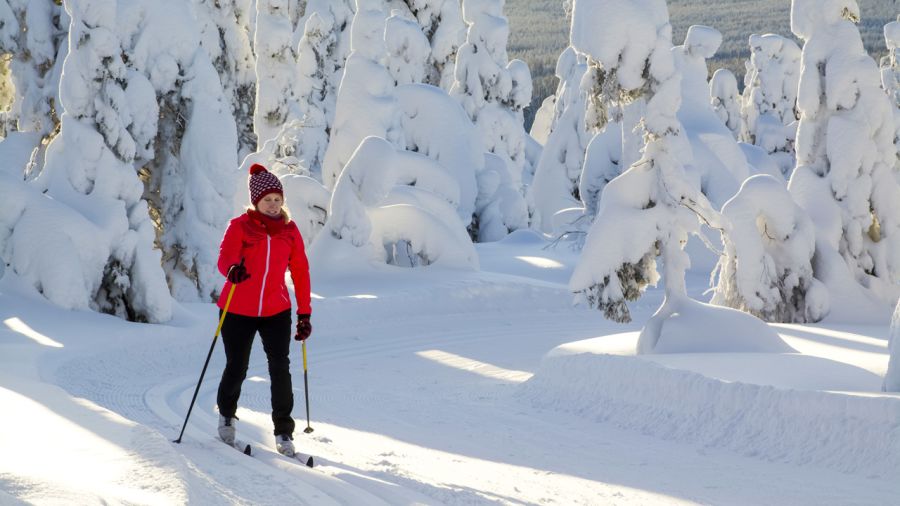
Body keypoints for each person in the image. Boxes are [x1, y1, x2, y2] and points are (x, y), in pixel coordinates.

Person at [215, 163, 313, 457]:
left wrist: (304, 313)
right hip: (237, 309)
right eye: (267, 200)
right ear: (256, 201)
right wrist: (232, 271)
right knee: (237, 366)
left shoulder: (290, 231)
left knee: (280, 367)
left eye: (277, 199)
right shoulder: (240, 226)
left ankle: (283, 431)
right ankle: (227, 416)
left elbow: (301, 271)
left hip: (275, 310)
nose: (273, 205)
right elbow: (225, 259)